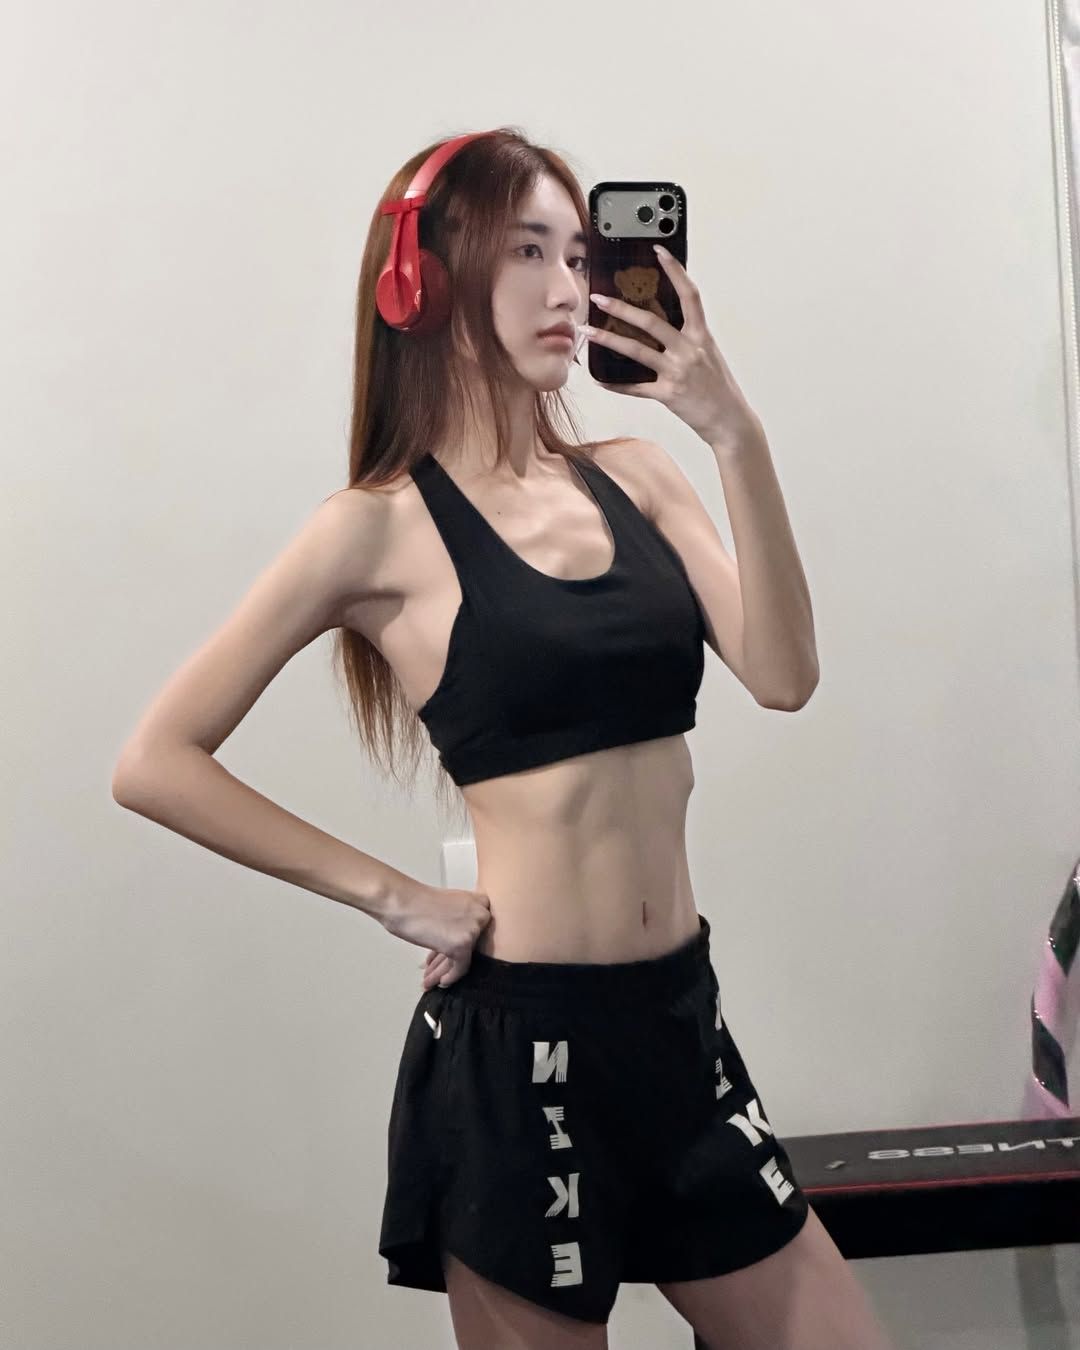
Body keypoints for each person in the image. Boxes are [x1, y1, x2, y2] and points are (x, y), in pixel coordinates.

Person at [111, 127, 894, 1350]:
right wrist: (393, 897)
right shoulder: (374, 530)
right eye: (528, 251)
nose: (567, 287)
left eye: (577, 254)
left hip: (680, 1027)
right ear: (420, 284)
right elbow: (156, 761)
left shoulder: (638, 477)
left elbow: (785, 675)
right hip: (523, 1055)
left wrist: (733, 435)